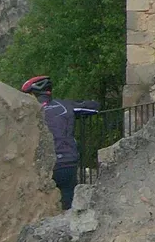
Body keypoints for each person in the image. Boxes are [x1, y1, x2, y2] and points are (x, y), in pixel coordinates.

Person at [20, 76, 100, 211]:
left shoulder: (29, 112)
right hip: (68, 161)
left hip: (43, 165)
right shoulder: (64, 106)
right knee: (69, 205)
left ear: (33, 94)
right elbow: (94, 108)